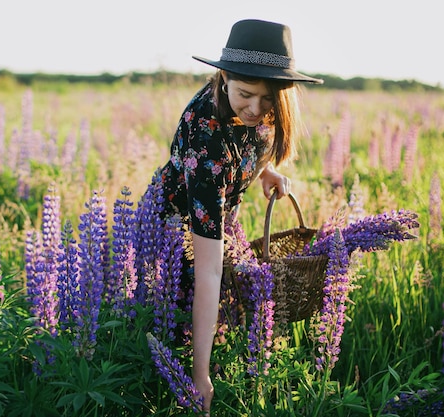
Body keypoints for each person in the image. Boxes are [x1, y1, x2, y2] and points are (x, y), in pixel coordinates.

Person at [154, 19, 323, 412]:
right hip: (173, 238)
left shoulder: (258, 106)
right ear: (224, 77)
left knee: (222, 314)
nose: (257, 109)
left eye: (268, 99)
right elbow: (207, 270)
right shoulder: (206, 135)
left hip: (219, 225)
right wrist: (200, 376)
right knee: (170, 325)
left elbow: (248, 141)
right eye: (247, 95)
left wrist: (265, 170)